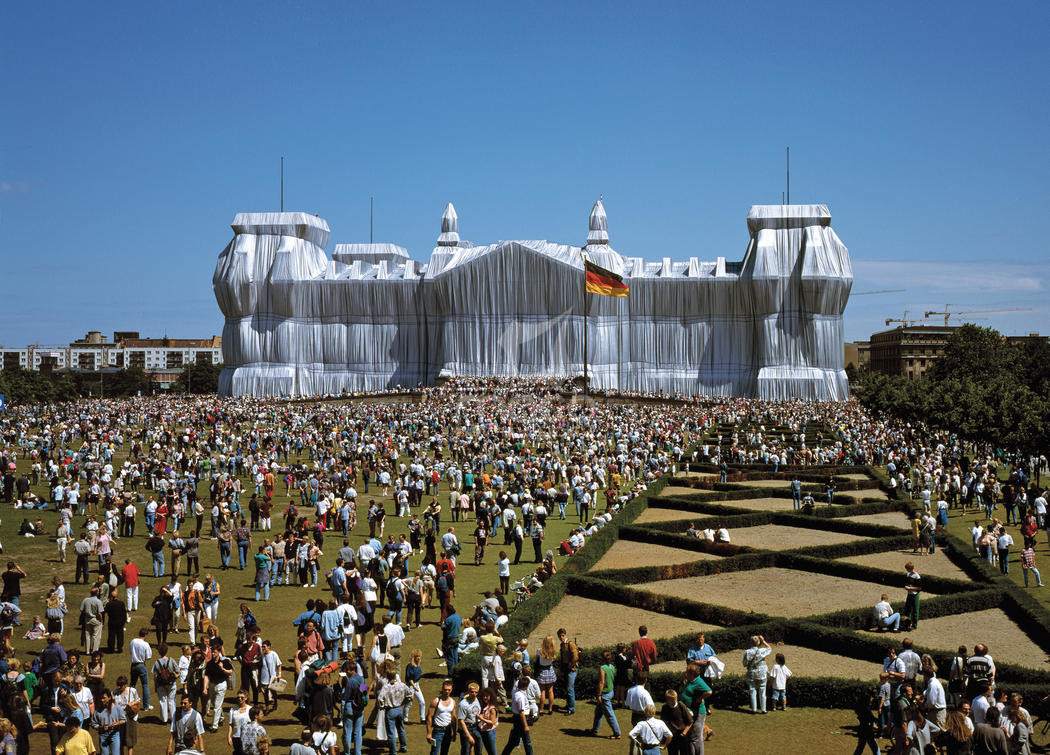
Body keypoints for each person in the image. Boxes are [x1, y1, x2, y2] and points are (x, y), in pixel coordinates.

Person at [589, 649, 621, 740]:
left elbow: (601, 682)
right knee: (598, 712)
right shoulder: (612, 667)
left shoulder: (602, 668)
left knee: (610, 714)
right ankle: (595, 730)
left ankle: (617, 733)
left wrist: (599, 694)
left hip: (605, 694)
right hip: (610, 692)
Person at [499, 676, 533, 755]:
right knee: (527, 742)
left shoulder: (515, 692)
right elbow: (521, 712)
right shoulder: (520, 697)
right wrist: (525, 726)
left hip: (516, 718)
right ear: (526, 686)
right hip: (521, 719)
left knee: (513, 740)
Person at [427, 678, 457, 755]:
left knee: (445, 752)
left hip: (448, 730)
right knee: (434, 752)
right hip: (438, 730)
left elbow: (453, 718)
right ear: (442, 689)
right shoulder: (436, 701)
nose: (447, 691)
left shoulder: (453, 702)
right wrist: (429, 733)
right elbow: (429, 717)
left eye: (449, 690)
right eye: (445, 689)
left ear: (451, 689)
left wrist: (454, 733)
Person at [743, 635, 772, 713]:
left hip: (752, 672)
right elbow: (770, 648)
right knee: (762, 691)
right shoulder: (762, 651)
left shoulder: (747, 652)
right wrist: (764, 641)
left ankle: (754, 709)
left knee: (752, 690)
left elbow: (744, 664)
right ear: (758, 642)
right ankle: (763, 709)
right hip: (762, 672)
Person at [660, 690, 693, 755]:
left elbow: (690, 721)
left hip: (682, 735)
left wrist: (684, 733)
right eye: (671, 700)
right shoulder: (665, 707)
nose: (674, 701)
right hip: (671, 736)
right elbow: (662, 723)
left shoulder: (681, 706)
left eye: (675, 699)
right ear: (667, 700)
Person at [557, 628, 579, 715]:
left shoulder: (570, 644)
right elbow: (562, 658)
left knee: (570, 689)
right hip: (565, 668)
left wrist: (571, 665)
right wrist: (562, 670)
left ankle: (571, 708)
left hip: (571, 668)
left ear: (565, 635)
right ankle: (568, 704)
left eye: (562, 635)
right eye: (560, 636)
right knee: (567, 688)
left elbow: (575, 656)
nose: (561, 637)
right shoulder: (562, 645)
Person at [457, 682, 482, 755]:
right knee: (466, 751)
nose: (474, 694)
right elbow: (461, 721)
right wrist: (468, 736)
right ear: (468, 692)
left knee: (479, 750)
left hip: (476, 727)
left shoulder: (478, 700)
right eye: (472, 692)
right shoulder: (463, 704)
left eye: (476, 692)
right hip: (467, 728)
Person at [904, 562, 922, 629]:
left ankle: (914, 625)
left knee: (915, 610)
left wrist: (910, 588)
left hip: (915, 595)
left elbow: (919, 588)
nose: (906, 571)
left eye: (907, 569)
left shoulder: (917, 576)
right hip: (909, 594)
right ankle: (907, 624)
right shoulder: (908, 574)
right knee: (907, 610)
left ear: (910, 569)